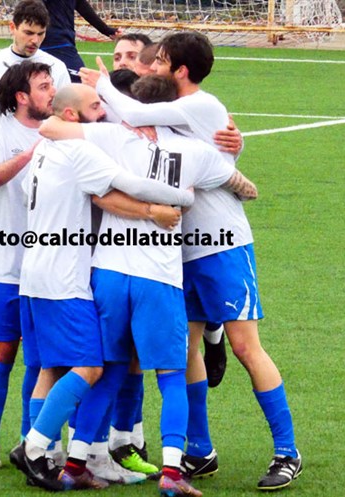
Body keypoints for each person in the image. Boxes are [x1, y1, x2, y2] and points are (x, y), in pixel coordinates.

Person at [87, 33, 303, 490]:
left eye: (159, 62)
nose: (151, 68)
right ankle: (200, 451)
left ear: (180, 70)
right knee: (183, 351)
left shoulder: (199, 105)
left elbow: (138, 112)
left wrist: (103, 83)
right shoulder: (167, 110)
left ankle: (288, 451)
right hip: (177, 252)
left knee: (247, 347)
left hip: (222, 244)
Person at [38, 73, 259, 497]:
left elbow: (53, 128)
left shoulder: (107, 137)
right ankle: (173, 475)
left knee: (110, 371)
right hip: (157, 278)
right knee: (172, 374)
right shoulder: (196, 151)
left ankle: (73, 463)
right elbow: (243, 187)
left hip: (108, 272)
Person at [13, 84, 196, 491]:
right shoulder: (80, 149)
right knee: (92, 367)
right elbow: (122, 189)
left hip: (34, 273)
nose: (104, 111)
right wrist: (173, 202)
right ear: (74, 116)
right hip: (66, 277)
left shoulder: (44, 148)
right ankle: (33, 447)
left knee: (51, 366)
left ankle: (58, 457)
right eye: (96, 106)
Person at [0, 60, 54, 470]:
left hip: (49, 268)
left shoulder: (60, 127)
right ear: (22, 96)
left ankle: (28, 440)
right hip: (5, 264)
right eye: (43, 86)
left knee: (39, 359)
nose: (51, 92)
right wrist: (31, 154)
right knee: (3, 352)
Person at [0, 0, 71, 202]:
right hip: (0, 157)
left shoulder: (57, 67)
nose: (35, 40)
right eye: (28, 33)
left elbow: (67, 119)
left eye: (41, 33)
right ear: (12, 27)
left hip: (44, 156)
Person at [40, 0, 121, 82]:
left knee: (81, 83)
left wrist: (107, 30)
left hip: (65, 45)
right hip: (46, 46)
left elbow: (82, 6)